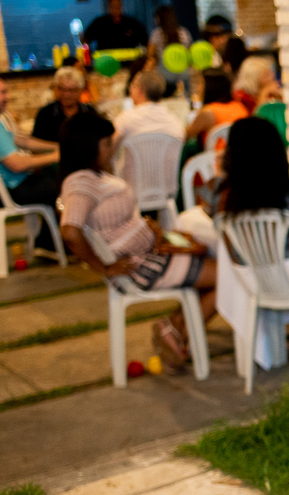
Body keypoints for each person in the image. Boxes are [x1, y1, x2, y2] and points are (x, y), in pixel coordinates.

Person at [56, 112, 216, 372]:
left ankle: (174, 327)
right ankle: (176, 331)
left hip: (149, 257)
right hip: (143, 266)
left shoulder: (91, 176)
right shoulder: (80, 183)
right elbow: (70, 232)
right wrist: (104, 267)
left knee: (217, 268)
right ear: (87, 147)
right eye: (107, 144)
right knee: (228, 277)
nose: (112, 149)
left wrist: (144, 227)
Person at [0, 77, 60, 209]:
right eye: (3, 92)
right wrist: (56, 156)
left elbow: (21, 141)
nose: (7, 97)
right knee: (69, 186)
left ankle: (50, 229)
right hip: (12, 190)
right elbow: (17, 164)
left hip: (12, 187)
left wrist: (58, 146)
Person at [112, 70, 184, 190]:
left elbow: (110, 150)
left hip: (131, 189)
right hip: (166, 189)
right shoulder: (175, 123)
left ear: (140, 89)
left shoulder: (125, 119)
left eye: (133, 85)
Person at [31, 67, 96, 144]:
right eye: (62, 89)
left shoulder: (89, 112)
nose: (66, 94)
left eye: (71, 90)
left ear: (80, 90)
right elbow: (35, 144)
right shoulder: (46, 113)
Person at [185, 69, 247, 148]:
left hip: (216, 157)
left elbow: (187, 134)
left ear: (210, 87)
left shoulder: (208, 112)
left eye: (201, 83)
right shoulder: (239, 106)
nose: (198, 87)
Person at [146, 6, 192, 97]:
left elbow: (149, 54)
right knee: (186, 97)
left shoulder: (156, 34)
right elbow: (190, 54)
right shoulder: (184, 32)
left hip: (164, 74)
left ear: (159, 19)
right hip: (183, 73)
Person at [81, 0, 148, 52]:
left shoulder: (131, 23)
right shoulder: (99, 23)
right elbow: (86, 39)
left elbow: (145, 40)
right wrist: (88, 55)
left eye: (118, 6)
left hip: (129, 63)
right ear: (108, 7)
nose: (116, 9)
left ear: (121, 6)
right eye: (113, 6)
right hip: (105, 62)